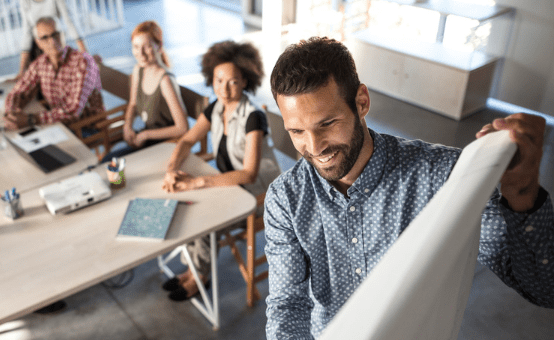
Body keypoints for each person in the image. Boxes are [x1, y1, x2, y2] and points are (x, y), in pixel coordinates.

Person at [264, 37, 554, 339]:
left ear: (361, 102)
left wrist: (522, 196)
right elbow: (288, 306)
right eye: (297, 131)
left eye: (327, 123)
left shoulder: (444, 177)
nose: (313, 147)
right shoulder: (286, 198)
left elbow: (544, 289)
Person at [161, 41, 281, 301]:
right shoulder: (215, 107)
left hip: (257, 195)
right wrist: (172, 168)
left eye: (233, 82)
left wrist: (198, 182)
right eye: (218, 81)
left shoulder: (253, 117)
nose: (224, 89)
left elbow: (249, 174)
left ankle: (199, 276)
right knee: (187, 204)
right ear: (211, 79)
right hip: (231, 186)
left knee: (203, 218)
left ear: (246, 81)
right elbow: (186, 140)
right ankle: (194, 269)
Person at [3, 17, 104, 131]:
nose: (52, 41)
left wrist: (31, 119)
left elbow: (73, 111)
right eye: (45, 38)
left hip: (87, 127)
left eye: (55, 34)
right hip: (58, 124)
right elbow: (18, 91)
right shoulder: (40, 63)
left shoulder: (83, 62)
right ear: (38, 43)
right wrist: (10, 113)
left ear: (62, 35)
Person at [106, 21, 187, 159]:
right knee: (108, 162)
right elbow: (133, 103)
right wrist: (128, 126)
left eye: (147, 46)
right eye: (136, 47)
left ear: (159, 47)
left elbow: (182, 128)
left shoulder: (165, 81)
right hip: (147, 142)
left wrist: (145, 135)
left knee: (111, 164)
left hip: (166, 147)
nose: (140, 53)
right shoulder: (138, 70)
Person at [17, 0, 87, 77]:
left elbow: (69, 21)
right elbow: (26, 31)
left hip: (55, 45)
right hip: (37, 48)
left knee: (64, 76)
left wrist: (86, 56)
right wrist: (22, 70)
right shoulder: (25, 1)